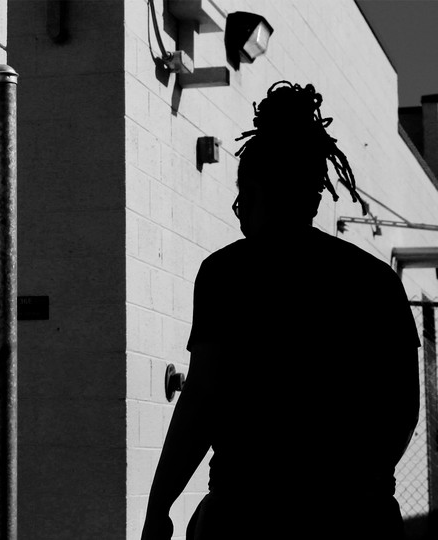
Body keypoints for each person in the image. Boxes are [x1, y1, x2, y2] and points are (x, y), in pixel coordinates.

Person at [141, 81, 421, 540]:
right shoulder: (378, 281)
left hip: (248, 514)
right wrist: (355, 491)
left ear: (252, 195)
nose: (238, 211)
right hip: (360, 519)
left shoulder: (228, 274)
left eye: (242, 195)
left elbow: (201, 402)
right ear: (314, 196)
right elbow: (402, 411)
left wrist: (159, 507)